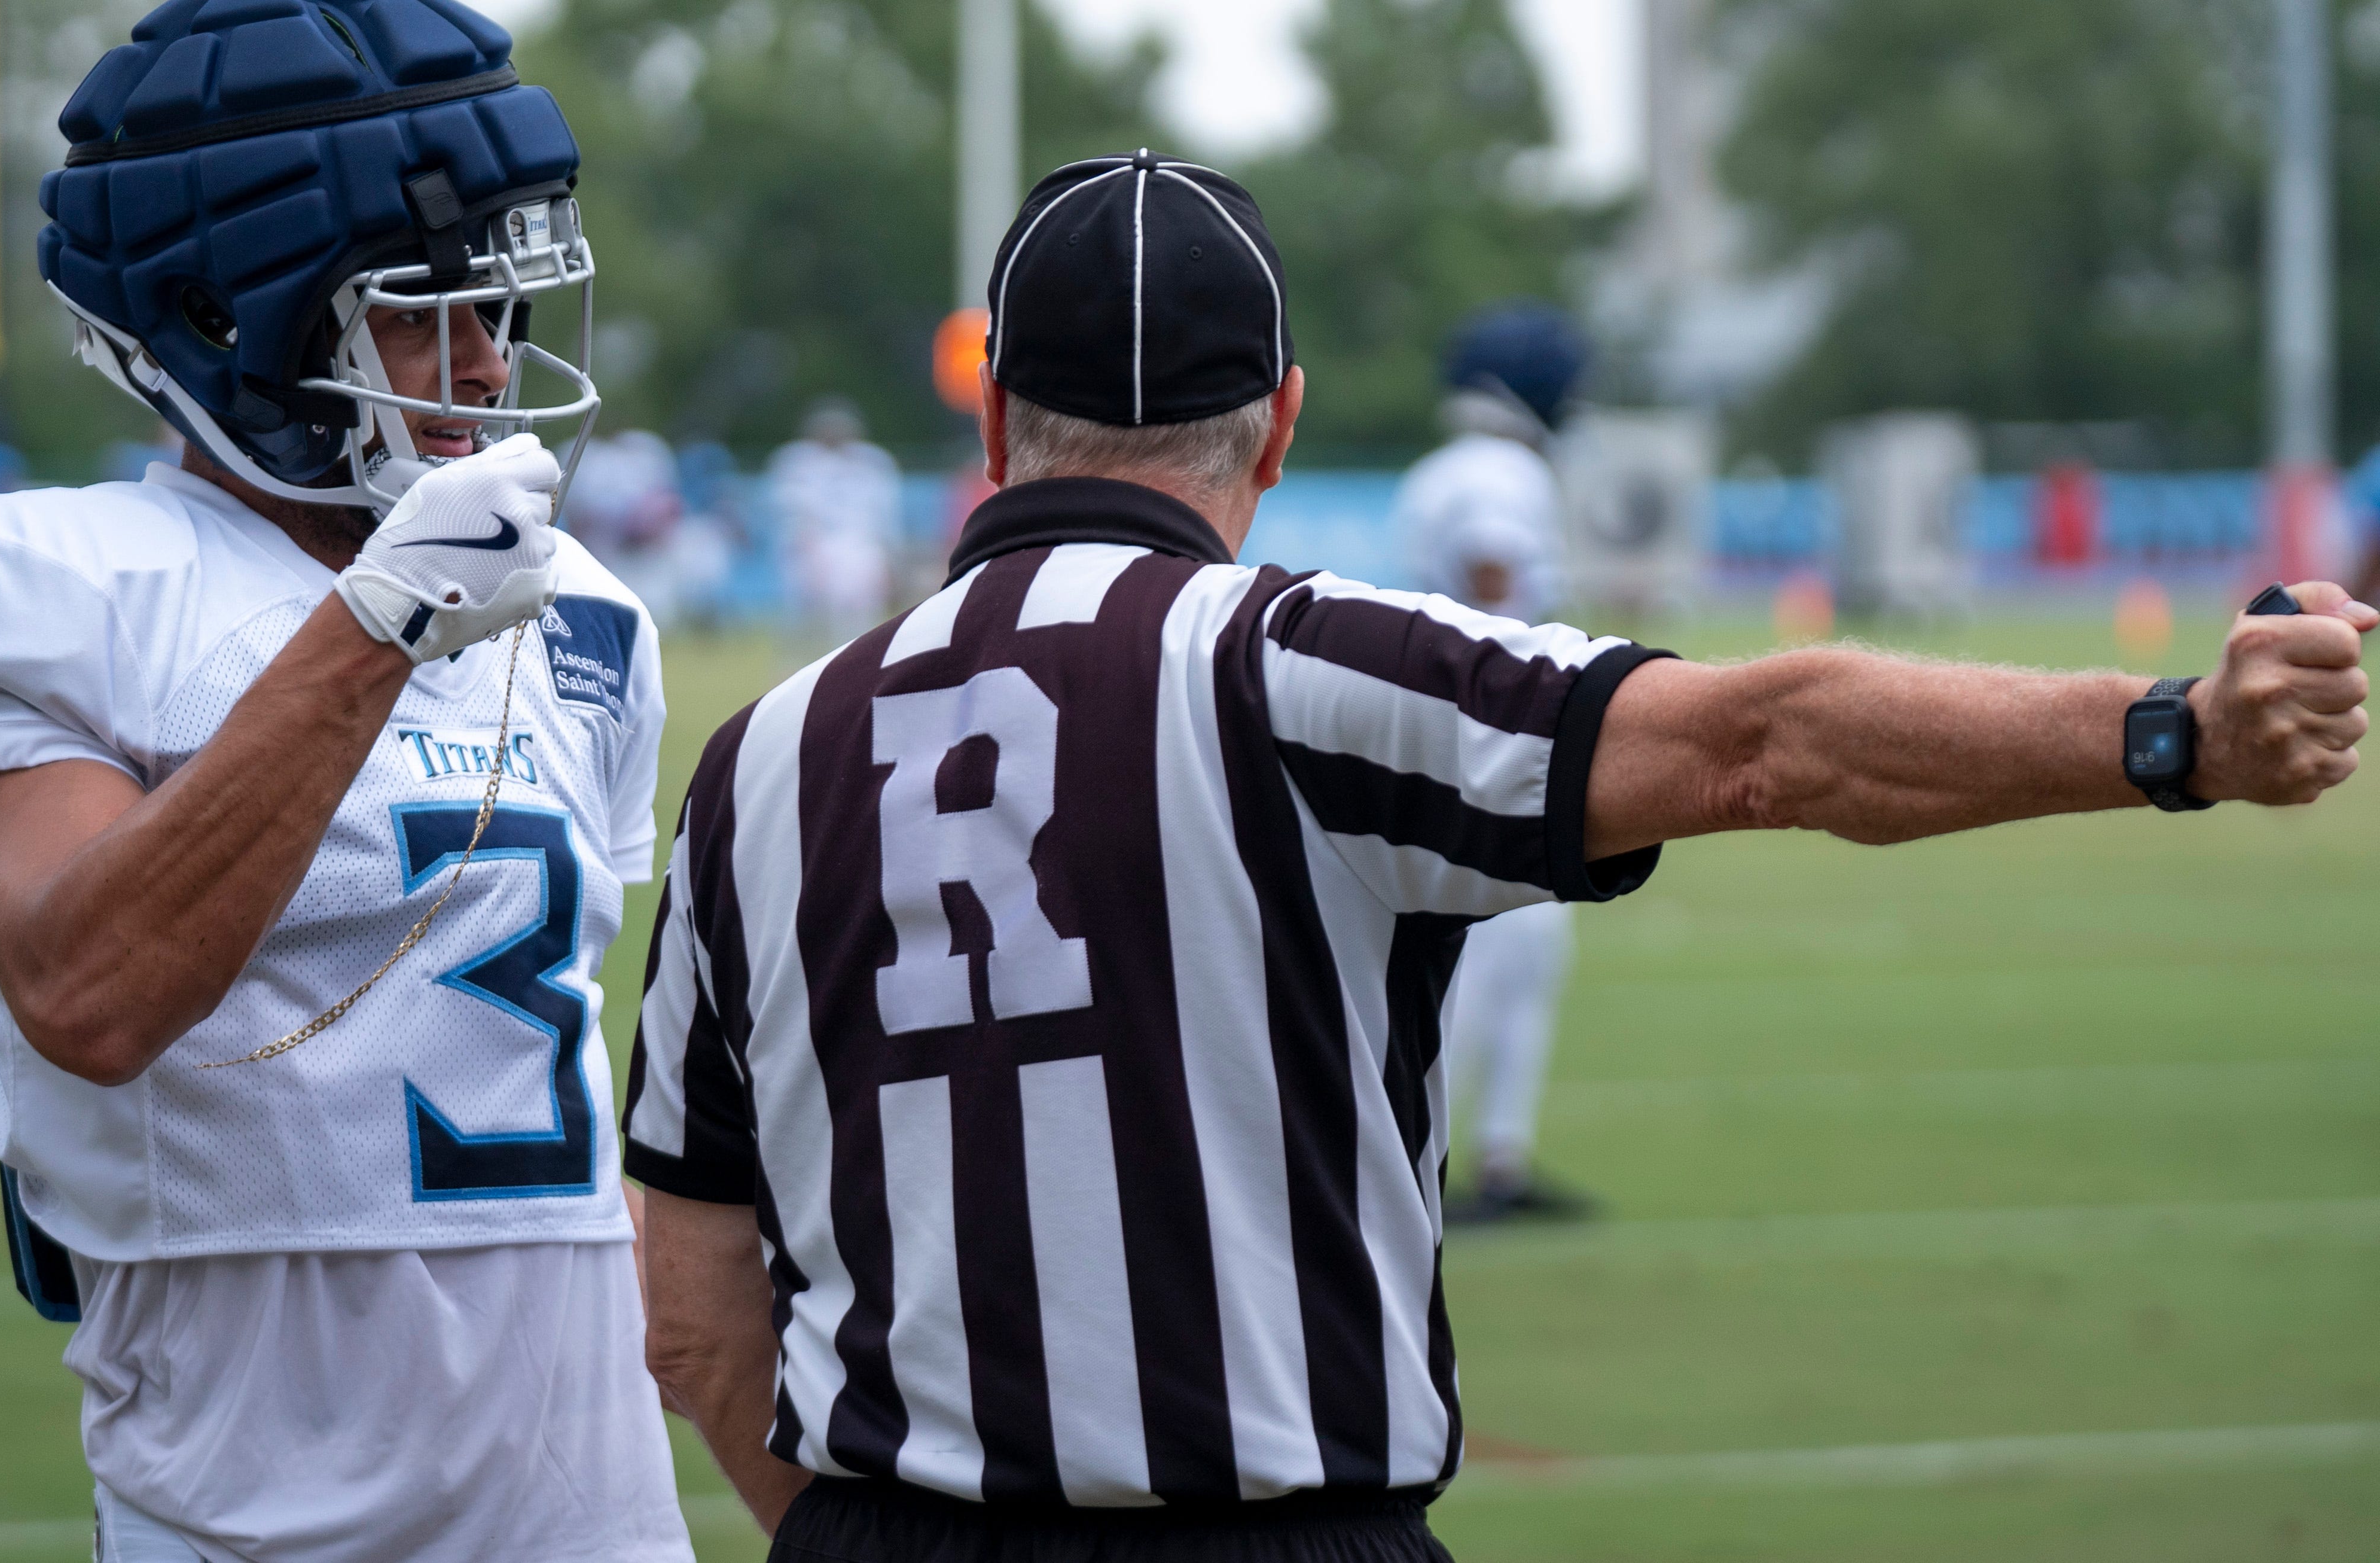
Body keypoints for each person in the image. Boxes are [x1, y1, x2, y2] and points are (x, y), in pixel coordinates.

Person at [621, 150, 2367, 1563]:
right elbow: (1761, 736)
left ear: (990, 416)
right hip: (1276, 1525)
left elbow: (691, 1308)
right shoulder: (1295, 665)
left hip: (880, 1524)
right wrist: (2172, 733)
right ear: (1281, 423)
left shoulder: (751, 762)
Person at [0, 0, 691, 1563]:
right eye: (420, 306)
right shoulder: (37, 577)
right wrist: (376, 624)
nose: (485, 364)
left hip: (593, 1510)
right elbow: (87, 990)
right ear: (225, 319)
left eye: (500, 308)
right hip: (255, 1514)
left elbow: (547, 1109)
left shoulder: (583, 611)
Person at [1393, 302, 1591, 1221]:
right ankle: (1435, 1168)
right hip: (1487, 742)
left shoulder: (1451, 466)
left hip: (1448, 736)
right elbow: (1492, 582)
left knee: (1524, 951)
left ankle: (1496, 1161)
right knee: (1490, 960)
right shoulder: (1500, 472)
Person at [768, 397, 902, 642]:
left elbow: (883, 519)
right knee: (805, 622)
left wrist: (889, 559)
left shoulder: (873, 462)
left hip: (859, 547)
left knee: (858, 613)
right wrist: (809, 551)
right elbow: (793, 515)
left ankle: (856, 660)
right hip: (811, 546)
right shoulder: (797, 462)